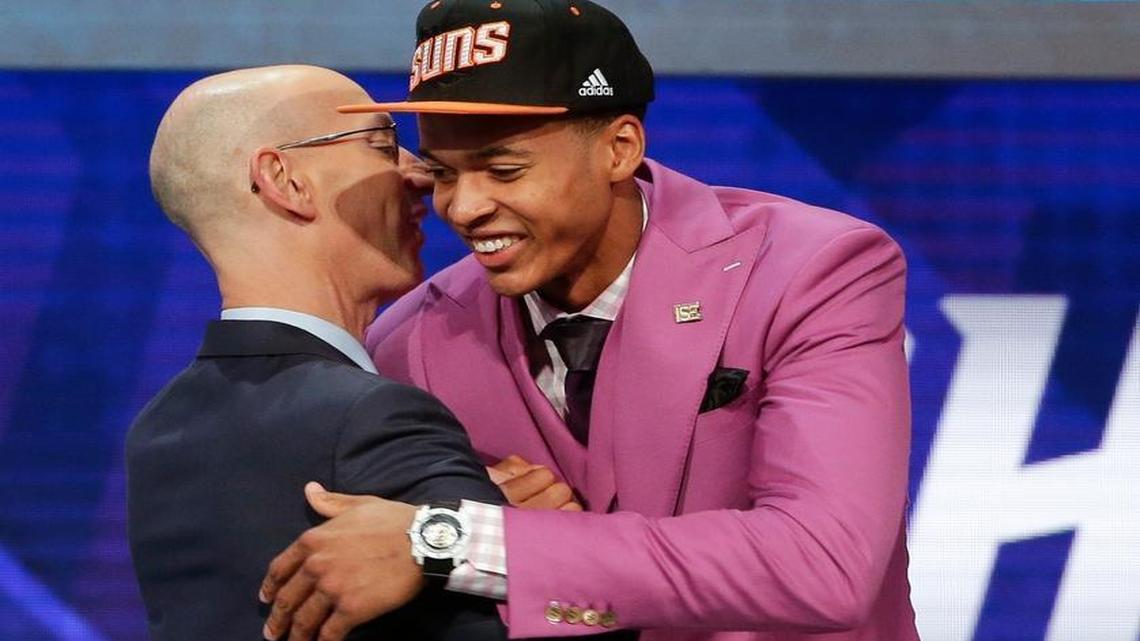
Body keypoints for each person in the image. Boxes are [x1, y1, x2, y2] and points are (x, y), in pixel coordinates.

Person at [260, 2, 920, 640]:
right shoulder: (412, 339)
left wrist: (463, 542)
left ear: (619, 148)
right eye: (441, 173)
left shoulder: (813, 270)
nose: (462, 207)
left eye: (503, 169)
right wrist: (463, 509)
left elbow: (824, 562)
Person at [125, 64, 512, 641]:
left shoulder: (158, 429)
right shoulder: (371, 416)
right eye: (383, 145)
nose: (421, 174)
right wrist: (530, 541)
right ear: (285, 180)